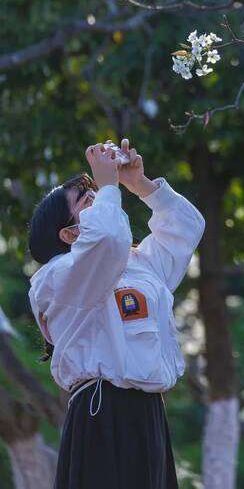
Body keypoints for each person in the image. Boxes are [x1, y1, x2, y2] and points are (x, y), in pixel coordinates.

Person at [27, 140, 205, 489]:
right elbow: (108, 238)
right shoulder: (55, 278)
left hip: (150, 413)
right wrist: (107, 184)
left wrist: (140, 185)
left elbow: (187, 228)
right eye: (87, 202)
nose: (101, 203)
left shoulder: (137, 265)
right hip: (101, 410)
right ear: (68, 234)